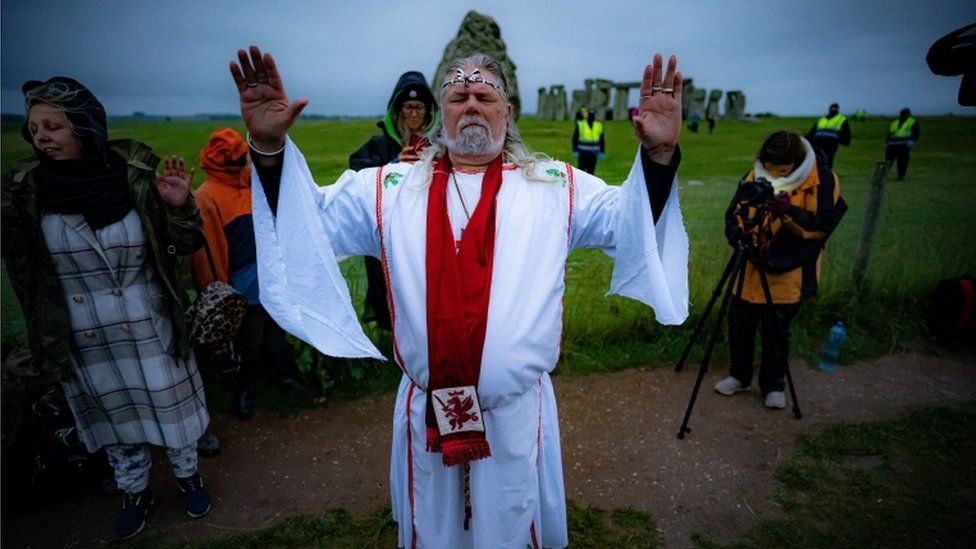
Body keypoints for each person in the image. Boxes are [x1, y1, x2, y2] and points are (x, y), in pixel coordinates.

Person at [230, 46, 688, 548]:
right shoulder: (390, 188)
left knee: (510, 529)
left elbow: (630, 223)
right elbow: (306, 225)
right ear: (439, 111)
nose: (471, 104)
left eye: (484, 95)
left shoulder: (554, 186)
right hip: (427, 409)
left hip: (514, 417)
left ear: (507, 112)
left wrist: (659, 157)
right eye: (458, 95)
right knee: (435, 531)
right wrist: (270, 151)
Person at [1, 77, 212, 539]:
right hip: (82, 334)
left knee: (173, 414)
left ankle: (188, 477)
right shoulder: (25, 194)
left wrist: (177, 207)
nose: (42, 138)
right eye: (34, 128)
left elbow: (186, 242)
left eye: (54, 126)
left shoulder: (133, 177)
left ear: (85, 127)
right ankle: (135, 491)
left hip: (149, 323)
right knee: (115, 423)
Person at [714, 131, 847, 409]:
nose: (775, 176)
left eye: (783, 172)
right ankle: (739, 376)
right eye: (770, 170)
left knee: (776, 331)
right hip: (750, 267)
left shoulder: (823, 180)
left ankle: (774, 386)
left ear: (798, 164)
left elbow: (821, 227)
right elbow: (734, 213)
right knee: (739, 323)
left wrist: (788, 212)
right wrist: (739, 237)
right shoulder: (755, 174)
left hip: (789, 271)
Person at [188, 128, 306, 420]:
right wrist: (216, 290)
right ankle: (245, 389)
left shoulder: (254, 184)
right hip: (242, 286)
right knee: (248, 343)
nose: (245, 163)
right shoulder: (206, 197)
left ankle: (282, 376)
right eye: (240, 159)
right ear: (225, 161)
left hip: (272, 278)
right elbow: (205, 253)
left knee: (277, 332)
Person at [349, 72, 438, 331]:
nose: (413, 114)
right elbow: (358, 179)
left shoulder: (438, 146)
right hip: (387, 236)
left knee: (423, 292)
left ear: (428, 112)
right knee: (388, 293)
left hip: (423, 235)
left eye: (419, 107)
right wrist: (394, 165)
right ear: (397, 110)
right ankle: (393, 353)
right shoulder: (379, 146)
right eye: (408, 107)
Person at [806, 103, 851, 168]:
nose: (833, 109)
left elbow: (846, 132)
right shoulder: (822, 119)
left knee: (827, 160)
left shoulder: (841, 119)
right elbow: (813, 131)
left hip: (830, 143)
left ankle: (826, 174)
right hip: (818, 142)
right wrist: (806, 140)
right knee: (816, 159)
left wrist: (845, 141)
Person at [885, 108, 920, 180]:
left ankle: (900, 176)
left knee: (902, 161)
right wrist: (887, 142)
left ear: (908, 114)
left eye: (905, 113)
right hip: (892, 145)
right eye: (902, 113)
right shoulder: (895, 123)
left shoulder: (912, 122)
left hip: (904, 145)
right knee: (888, 161)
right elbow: (890, 134)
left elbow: (916, 134)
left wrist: (912, 141)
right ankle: (883, 175)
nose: (903, 115)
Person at [572, 108, 605, 174]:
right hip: (583, 153)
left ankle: (590, 184)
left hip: (594, 153)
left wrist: (602, 151)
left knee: (591, 172)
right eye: (590, 114)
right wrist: (575, 150)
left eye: (592, 114)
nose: (591, 116)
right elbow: (574, 138)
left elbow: (602, 139)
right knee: (581, 172)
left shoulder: (598, 125)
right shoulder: (581, 124)